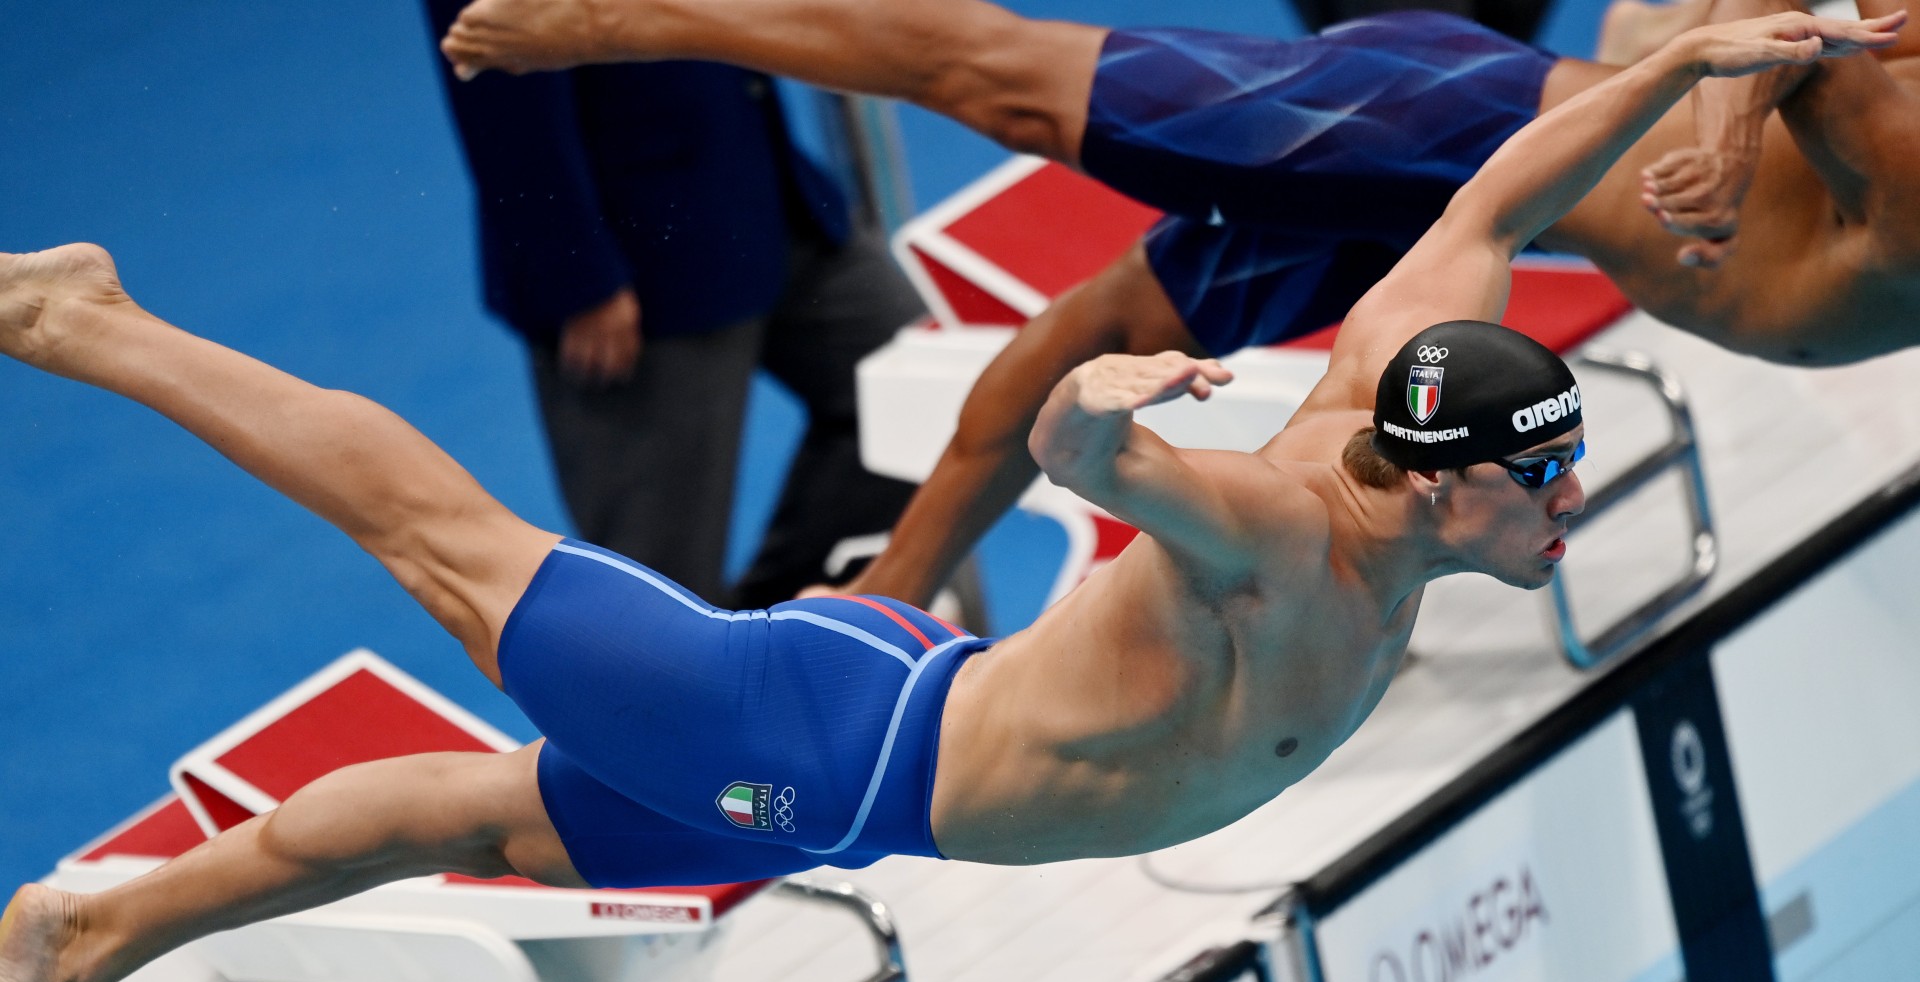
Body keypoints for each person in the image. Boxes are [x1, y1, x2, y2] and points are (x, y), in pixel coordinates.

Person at [0, 9, 1899, 982]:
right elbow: (1087, 450)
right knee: (447, 549)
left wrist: (1666, 73)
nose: (1564, 505)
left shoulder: (1389, 393)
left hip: (898, 722)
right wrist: (1108, 417)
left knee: (485, 813)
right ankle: (96, 320)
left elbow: (1494, 187)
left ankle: (88, 931)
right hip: (822, 751)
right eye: (1544, 477)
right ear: (1452, 476)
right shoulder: (1280, 525)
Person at [444, 0, 1920, 611]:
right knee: (1005, 86)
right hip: (1456, 121)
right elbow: (1806, 34)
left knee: (1062, 358)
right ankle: (617, 19)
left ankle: (879, 616)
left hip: (1481, 207)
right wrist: (1725, 136)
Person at [423, 0, 925, 607]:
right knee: (658, 576)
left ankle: (758, 641)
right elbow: (496, 81)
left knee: (919, 394)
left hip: (763, 185)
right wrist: (575, 277)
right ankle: (703, 671)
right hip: (637, 254)